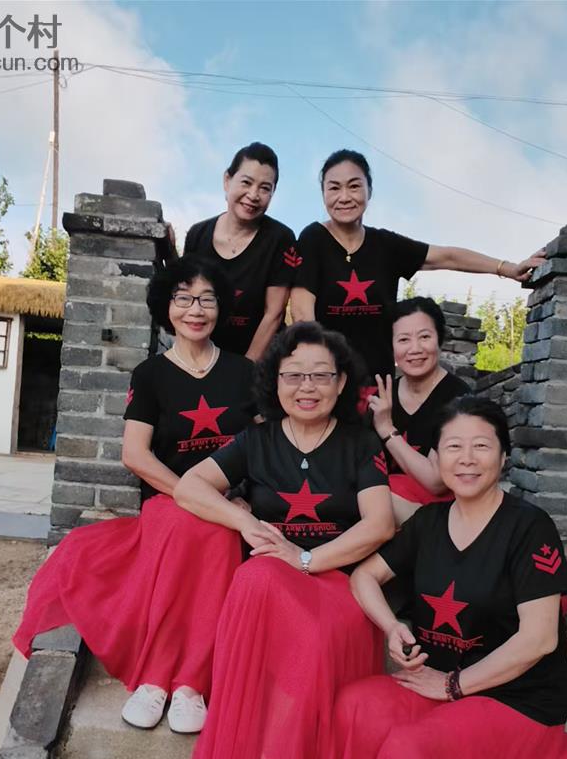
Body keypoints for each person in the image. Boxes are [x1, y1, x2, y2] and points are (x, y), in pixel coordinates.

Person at [322, 396, 567, 759]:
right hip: (438, 680)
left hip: (514, 699)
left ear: (503, 456)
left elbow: (539, 640)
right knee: (355, 705)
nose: (466, 459)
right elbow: (364, 576)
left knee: (408, 749)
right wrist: (392, 626)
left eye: (481, 446)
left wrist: (453, 686)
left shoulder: (529, 527)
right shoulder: (429, 522)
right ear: (435, 459)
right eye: (453, 447)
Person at [174, 321, 395, 759]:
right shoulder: (258, 440)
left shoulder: (360, 444)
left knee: (312, 638)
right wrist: (244, 524)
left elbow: (379, 524)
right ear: (275, 381)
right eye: (293, 375)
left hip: (336, 584)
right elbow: (189, 486)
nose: (307, 387)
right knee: (255, 578)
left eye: (321, 375)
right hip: (272, 584)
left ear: (341, 383)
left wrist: (307, 559)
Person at [13, 255, 255, 734]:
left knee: (220, 535)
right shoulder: (150, 375)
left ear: (221, 308)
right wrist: (192, 495)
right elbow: (135, 455)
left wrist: (241, 498)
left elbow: (262, 448)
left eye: (206, 300)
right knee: (187, 525)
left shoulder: (244, 372)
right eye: (184, 298)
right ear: (167, 306)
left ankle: (191, 684)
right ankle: (155, 678)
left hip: (227, 502)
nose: (195, 310)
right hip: (168, 500)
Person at [291, 149, 544, 383]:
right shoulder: (313, 239)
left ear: (369, 190)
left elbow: (447, 257)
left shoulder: (385, 245)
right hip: (327, 382)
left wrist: (508, 269)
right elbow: (302, 313)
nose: (344, 197)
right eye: (334, 188)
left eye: (354, 186)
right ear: (323, 193)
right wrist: (323, 373)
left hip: (377, 385)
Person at [184, 142, 297, 361]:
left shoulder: (280, 238)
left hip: (259, 361)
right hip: (204, 356)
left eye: (265, 188)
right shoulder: (198, 234)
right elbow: (187, 297)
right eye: (246, 182)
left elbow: (274, 314)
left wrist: (246, 369)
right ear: (227, 180)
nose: (253, 195)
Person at [368, 296, 470, 525]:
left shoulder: (458, 398)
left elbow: (436, 481)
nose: (415, 349)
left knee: (375, 498)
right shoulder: (383, 394)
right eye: (403, 339)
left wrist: (386, 429)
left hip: (443, 512)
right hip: (389, 508)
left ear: (439, 340)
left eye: (424, 337)